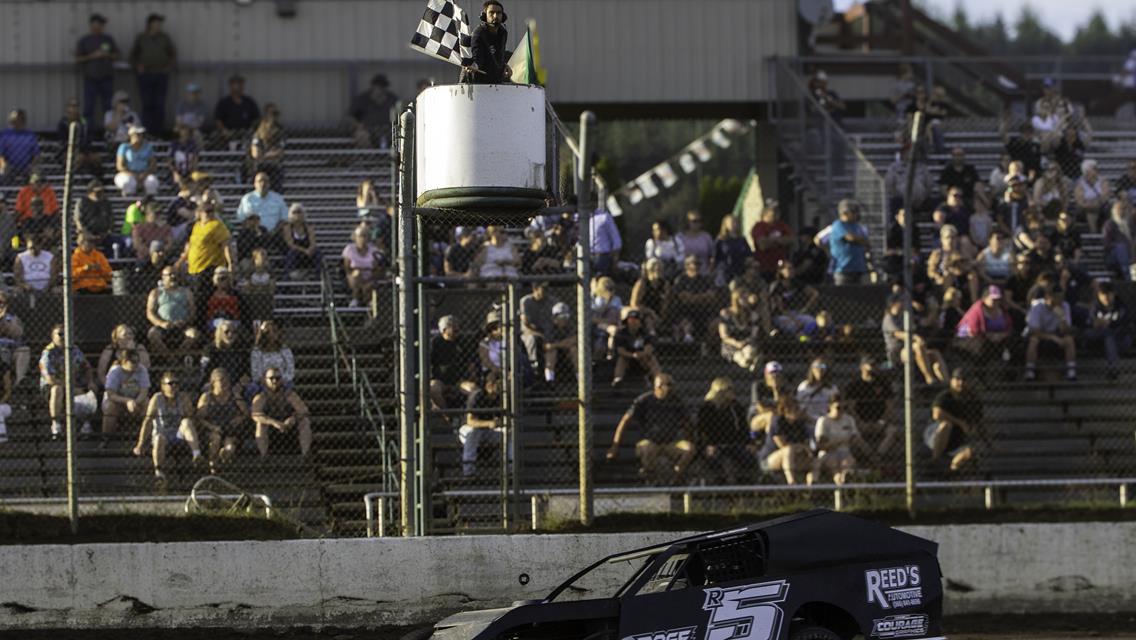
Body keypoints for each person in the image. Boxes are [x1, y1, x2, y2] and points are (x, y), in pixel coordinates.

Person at [607, 373, 694, 484]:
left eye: (672, 384)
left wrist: (689, 437)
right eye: (669, 385)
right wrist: (615, 446)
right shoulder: (644, 400)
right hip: (648, 441)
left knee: (689, 448)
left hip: (670, 443)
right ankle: (651, 478)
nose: (672, 388)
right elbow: (625, 421)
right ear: (658, 386)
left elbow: (687, 423)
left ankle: (676, 477)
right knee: (649, 448)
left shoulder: (676, 401)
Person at [133, 370, 203, 478]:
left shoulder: (183, 397)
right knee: (159, 438)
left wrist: (187, 406)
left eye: (176, 383)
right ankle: (159, 473)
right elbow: (147, 421)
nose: (174, 386)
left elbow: (192, 418)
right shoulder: (157, 398)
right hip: (162, 434)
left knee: (187, 422)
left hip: (178, 434)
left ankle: (196, 455)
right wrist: (140, 443)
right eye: (170, 383)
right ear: (163, 386)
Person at [39, 324, 97, 439]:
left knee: (91, 390)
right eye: (60, 334)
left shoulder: (74, 350)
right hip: (54, 387)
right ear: (53, 337)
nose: (63, 337)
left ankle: (85, 425)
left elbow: (87, 367)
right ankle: (56, 424)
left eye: (66, 334)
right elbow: (50, 379)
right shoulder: (48, 353)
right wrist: (71, 389)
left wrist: (90, 381)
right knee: (57, 390)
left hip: (74, 385)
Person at [693, 377, 750, 484]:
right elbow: (701, 431)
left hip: (733, 444)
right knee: (723, 461)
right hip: (714, 445)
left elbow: (743, 428)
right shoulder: (707, 408)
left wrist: (748, 443)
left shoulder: (735, 408)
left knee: (747, 457)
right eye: (729, 389)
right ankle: (726, 490)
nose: (732, 392)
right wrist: (707, 445)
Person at [882, 293, 947, 385]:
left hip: (911, 347)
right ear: (895, 303)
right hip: (897, 351)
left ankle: (945, 382)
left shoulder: (905, 316)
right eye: (902, 301)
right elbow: (898, 334)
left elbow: (923, 323)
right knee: (918, 346)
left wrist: (934, 312)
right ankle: (929, 378)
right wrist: (915, 337)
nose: (905, 303)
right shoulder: (889, 318)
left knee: (934, 353)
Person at [844, 355, 898, 461]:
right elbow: (851, 408)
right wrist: (860, 423)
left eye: (875, 365)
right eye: (870, 365)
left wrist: (881, 422)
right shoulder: (854, 385)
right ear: (862, 367)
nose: (874, 368)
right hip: (860, 423)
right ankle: (870, 456)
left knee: (893, 431)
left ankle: (879, 455)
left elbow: (889, 407)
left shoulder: (884, 384)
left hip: (880, 422)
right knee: (853, 434)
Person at [129, 13, 177, 134]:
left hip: (161, 74)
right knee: (147, 103)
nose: (158, 25)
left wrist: (169, 66)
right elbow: (132, 55)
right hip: (145, 75)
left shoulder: (165, 37)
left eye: (160, 23)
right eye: (156, 23)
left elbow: (173, 54)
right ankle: (147, 132)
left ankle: (159, 132)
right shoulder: (141, 38)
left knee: (159, 104)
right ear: (150, 24)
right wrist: (137, 66)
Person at [926, 368, 981, 472]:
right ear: (951, 381)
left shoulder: (973, 399)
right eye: (957, 379)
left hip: (956, 441)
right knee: (947, 425)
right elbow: (936, 414)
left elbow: (980, 423)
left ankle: (952, 471)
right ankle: (935, 462)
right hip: (934, 435)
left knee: (969, 452)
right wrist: (960, 423)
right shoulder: (945, 396)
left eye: (964, 380)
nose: (961, 383)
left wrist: (991, 445)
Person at [196, 368, 250, 471]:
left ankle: (225, 455)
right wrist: (212, 427)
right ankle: (213, 466)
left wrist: (240, 418)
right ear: (213, 383)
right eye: (221, 380)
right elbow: (199, 418)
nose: (225, 383)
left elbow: (247, 413)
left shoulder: (234, 396)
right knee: (215, 439)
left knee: (230, 444)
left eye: (227, 380)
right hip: (212, 428)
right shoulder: (207, 397)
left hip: (230, 428)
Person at [251, 366, 312, 458]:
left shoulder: (289, 394)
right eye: (271, 378)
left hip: (289, 424)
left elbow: (304, 410)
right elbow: (255, 415)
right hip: (270, 426)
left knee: (305, 422)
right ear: (265, 380)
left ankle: (306, 455)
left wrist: (293, 418)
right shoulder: (261, 397)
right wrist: (273, 422)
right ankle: (264, 456)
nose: (275, 381)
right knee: (260, 424)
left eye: (277, 378)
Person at [74, 14, 120, 131]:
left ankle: (108, 133)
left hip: (106, 78)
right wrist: (92, 56)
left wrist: (107, 55)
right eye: (98, 24)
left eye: (102, 24)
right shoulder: (85, 40)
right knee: (89, 107)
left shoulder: (108, 39)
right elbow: (78, 58)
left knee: (108, 107)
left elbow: (117, 55)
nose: (100, 26)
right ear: (92, 25)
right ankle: (88, 133)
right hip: (91, 78)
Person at [457, 374, 507, 477]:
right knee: (473, 432)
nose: (499, 385)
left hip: (487, 431)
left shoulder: (500, 397)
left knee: (507, 433)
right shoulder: (477, 395)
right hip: (467, 429)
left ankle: (510, 470)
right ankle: (468, 472)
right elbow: (470, 421)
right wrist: (489, 423)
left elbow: (502, 418)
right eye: (496, 383)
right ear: (489, 385)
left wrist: (500, 422)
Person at [809, 394, 864, 485]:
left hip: (844, 452)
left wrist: (837, 442)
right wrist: (842, 440)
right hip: (828, 453)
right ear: (830, 406)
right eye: (838, 407)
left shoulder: (848, 419)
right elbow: (822, 445)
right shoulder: (823, 421)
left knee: (848, 462)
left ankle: (845, 479)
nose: (841, 411)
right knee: (833, 463)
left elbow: (855, 438)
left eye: (844, 408)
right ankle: (840, 483)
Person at [1024, 287, 1077, 381]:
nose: (1059, 301)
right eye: (1057, 298)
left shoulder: (1065, 306)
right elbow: (1034, 330)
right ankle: (1029, 371)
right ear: (1048, 297)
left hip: (1056, 335)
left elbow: (1066, 331)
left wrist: (1062, 318)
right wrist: (1052, 337)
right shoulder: (1037, 306)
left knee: (1069, 339)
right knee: (1034, 340)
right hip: (1040, 336)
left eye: (1061, 298)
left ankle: (1071, 372)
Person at [759, 396, 813, 485]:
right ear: (785, 410)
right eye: (795, 408)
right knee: (788, 450)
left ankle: (812, 486)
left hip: (793, 459)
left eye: (798, 408)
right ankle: (792, 484)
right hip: (769, 459)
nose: (798, 411)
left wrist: (803, 447)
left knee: (815, 461)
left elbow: (806, 446)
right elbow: (782, 445)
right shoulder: (778, 421)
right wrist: (800, 447)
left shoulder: (799, 423)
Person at [146, 267, 200, 353]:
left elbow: (193, 311)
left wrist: (185, 321)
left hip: (182, 325)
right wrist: (161, 323)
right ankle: (169, 358)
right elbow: (150, 313)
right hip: (162, 326)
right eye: (170, 274)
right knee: (152, 335)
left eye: (175, 274)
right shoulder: (156, 292)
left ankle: (179, 355)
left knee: (193, 334)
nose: (173, 276)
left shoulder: (187, 292)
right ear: (163, 277)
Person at [175, 202, 234, 280]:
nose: (210, 213)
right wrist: (180, 261)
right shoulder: (197, 226)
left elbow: (226, 245)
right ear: (200, 213)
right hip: (194, 268)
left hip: (208, 267)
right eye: (207, 211)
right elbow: (190, 246)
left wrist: (230, 263)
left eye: (212, 211)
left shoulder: (217, 225)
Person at [429, 315, 478, 410]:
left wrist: (472, 375)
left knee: (474, 390)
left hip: (459, 381)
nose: (456, 328)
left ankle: (467, 415)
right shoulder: (435, 343)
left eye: (457, 325)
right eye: (452, 326)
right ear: (444, 330)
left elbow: (470, 361)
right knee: (433, 389)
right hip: (440, 380)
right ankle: (447, 416)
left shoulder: (462, 342)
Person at [1086, 281, 1131, 379]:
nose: (1105, 297)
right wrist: (1096, 324)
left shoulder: (1121, 307)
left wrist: (1109, 323)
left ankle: (1113, 368)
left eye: (1108, 294)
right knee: (1104, 334)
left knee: (1109, 335)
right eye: (1102, 294)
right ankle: (1113, 368)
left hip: (1120, 340)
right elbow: (1089, 323)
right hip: (1098, 340)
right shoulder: (1095, 306)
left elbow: (1124, 326)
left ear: (1113, 293)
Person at [101, 349, 151, 436]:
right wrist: (127, 401)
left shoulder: (141, 369)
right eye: (133, 361)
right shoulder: (115, 371)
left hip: (136, 400)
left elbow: (144, 391)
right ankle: (106, 437)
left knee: (147, 403)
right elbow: (111, 394)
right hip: (118, 401)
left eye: (137, 361)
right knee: (110, 407)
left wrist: (135, 402)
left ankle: (145, 435)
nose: (136, 364)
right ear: (124, 361)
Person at [462, 1, 512, 84]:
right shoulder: (479, 33)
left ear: (503, 16)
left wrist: (505, 66)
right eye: (491, 13)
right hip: (476, 82)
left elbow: (499, 54)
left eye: (499, 13)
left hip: (494, 80)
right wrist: (474, 66)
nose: (495, 16)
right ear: (485, 16)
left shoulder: (503, 32)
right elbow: (477, 58)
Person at [669, 256, 716, 344]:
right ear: (687, 266)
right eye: (694, 264)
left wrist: (693, 297)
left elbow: (711, 296)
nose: (697, 266)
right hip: (685, 311)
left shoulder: (704, 280)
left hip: (703, 311)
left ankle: (707, 347)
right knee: (684, 321)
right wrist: (702, 297)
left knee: (713, 322)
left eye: (699, 264)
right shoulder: (681, 280)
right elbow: (684, 298)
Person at [769, 260, 819, 337]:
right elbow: (781, 309)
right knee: (793, 326)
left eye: (792, 268)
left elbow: (815, 293)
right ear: (781, 271)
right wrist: (794, 320)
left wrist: (805, 308)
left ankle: (805, 338)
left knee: (812, 322)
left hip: (796, 313)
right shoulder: (777, 286)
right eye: (788, 268)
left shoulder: (796, 282)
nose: (791, 271)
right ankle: (801, 339)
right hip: (781, 316)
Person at [611, 309, 661, 386]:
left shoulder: (645, 333)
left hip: (642, 360)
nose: (633, 322)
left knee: (651, 358)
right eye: (631, 319)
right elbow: (620, 350)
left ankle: (659, 379)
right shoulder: (621, 333)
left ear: (640, 322)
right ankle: (618, 379)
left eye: (636, 319)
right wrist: (633, 355)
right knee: (622, 358)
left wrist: (640, 355)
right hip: (628, 360)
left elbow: (649, 349)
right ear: (627, 321)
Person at [342, 224, 386, 308]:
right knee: (357, 274)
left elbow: (377, 268)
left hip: (369, 276)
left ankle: (368, 302)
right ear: (355, 237)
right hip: (355, 276)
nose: (363, 239)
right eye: (360, 236)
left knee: (369, 285)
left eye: (365, 236)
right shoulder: (349, 249)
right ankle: (355, 299)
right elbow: (347, 268)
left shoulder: (373, 250)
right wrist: (359, 270)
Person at [56, 98, 103, 177]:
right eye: (72, 106)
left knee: (97, 158)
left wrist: (86, 151)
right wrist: (75, 151)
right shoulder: (63, 123)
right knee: (79, 158)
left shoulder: (84, 122)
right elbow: (62, 142)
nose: (75, 109)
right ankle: (72, 179)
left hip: (84, 151)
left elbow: (87, 139)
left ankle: (98, 180)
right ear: (67, 108)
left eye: (77, 106)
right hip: (67, 152)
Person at [717, 288, 762, 371]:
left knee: (749, 352)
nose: (746, 300)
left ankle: (751, 362)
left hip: (748, 342)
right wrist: (737, 343)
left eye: (746, 297)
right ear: (736, 299)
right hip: (731, 344)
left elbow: (754, 334)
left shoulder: (753, 314)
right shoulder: (726, 313)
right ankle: (752, 364)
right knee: (741, 358)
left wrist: (746, 341)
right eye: (743, 298)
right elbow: (724, 336)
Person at [350, 73, 399, 149]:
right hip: (368, 130)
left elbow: (400, 114)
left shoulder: (392, 99)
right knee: (361, 135)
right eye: (377, 86)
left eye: (382, 86)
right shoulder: (363, 99)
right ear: (372, 86)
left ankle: (392, 157)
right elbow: (351, 116)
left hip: (389, 129)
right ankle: (370, 155)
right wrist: (359, 126)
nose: (380, 89)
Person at [829, 199, 870, 285]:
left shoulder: (859, 227)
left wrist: (859, 240)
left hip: (859, 269)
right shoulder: (838, 225)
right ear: (844, 213)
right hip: (843, 269)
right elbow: (850, 238)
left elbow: (866, 242)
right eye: (853, 211)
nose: (856, 214)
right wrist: (858, 240)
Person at [214, 75, 261, 148]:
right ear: (230, 86)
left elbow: (256, 119)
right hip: (229, 134)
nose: (238, 87)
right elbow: (218, 119)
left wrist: (251, 130)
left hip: (245, 134)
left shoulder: (249, 102)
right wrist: (224, 130)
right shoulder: (224, 103)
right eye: (235, 85)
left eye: (240, 85)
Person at [200, 320, 249, 390]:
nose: (231, 334)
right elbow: (205, 371)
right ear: (220, 332)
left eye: (234, 332)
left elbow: (246, 371)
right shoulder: (210, 349)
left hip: (237, 384)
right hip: (216, 383)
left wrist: (240, 385)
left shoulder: (241, 349)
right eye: (227, 332)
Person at [247, 104, 286, 191]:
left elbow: (280, 152)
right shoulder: (258, 132)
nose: (274, 117)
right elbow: (256, 154)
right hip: (260, 167)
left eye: (276, 114)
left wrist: (263, 155)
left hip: (275, 167)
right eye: (272, 114)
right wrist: (269, 155)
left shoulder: (279, 132)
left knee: (276, 188)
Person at [249, 320, 295, 394]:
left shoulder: (284, 349)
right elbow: (255, 372)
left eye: (276, 330)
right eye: (273, 331)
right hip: (263, 382)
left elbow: (290, 370)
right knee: (253, 388)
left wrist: (280, 380)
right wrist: (266, 381)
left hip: (282, 381)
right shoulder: (257, 351)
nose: (276, 333)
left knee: (289, 388)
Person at [114, 125, 159, 197]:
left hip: (144, 173)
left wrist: (144, 174)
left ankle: (149, 203)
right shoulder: (124, 147)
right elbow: (120, 166)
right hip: (127, 173)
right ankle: (128, 202)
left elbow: (153, 165)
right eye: (136, 134)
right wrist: (133, 175)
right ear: (131, 135)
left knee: (152, 181)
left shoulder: (148, 147)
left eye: (140, 134)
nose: (139, 136)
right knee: (128, 182)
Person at [629, 258, 670, 336]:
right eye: (655, 269)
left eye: (660, 269)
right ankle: (652, 335)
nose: (658, 271)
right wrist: (650, 312)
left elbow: (666, 302)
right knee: (648, 319)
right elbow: (634, 304)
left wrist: (661, 316)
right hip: (643, 312)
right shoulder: (642, 284)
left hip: (658, 312)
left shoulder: (665, 284)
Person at [281, 204, 320, 279]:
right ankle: (287, 278)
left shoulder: (309, 227)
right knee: (291, 253)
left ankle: (317, 276)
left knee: (318, 253)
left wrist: (310, 249)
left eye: (299, 212)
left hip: (308, 254)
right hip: (296, 253)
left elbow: (313, 242)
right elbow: (290, 244)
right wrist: (304, 250)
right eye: (294, 212)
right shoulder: (287, 228)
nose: (297, 215)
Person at [0, 109, 39, 184]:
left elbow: (36, 154)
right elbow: (0, 154)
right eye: (13, 120)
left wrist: (33, 165)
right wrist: (3, 165)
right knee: (3, 172)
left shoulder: (30, 135)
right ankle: (4, 193)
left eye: (19, 119)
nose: (15, 122)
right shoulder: (5, 135)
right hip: (9, 166)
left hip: (27, 167)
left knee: (36, 175)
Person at [1074, 159, 1112, 233]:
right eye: (1094, 168)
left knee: (1092, 210)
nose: (1097, 169)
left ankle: (1093, 232)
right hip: (1085, 208)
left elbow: (1105, 196)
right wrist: (1090, 204)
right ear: (1086, 170)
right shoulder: (1080, 184)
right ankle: (1094, 232)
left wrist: (1096, 203)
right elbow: (1079, 201)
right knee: (1090, 210)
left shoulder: (1103, 181)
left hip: (1101, 206)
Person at [795, 357, 838, 422]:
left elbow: (836, 406)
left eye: (822, 367)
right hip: (808, 420)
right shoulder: (804, 386)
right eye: (816, 366)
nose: (819, 369)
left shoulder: (832, 388)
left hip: (827, 421)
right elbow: (799, 406)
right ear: (812, 369)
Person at [713, 214, 752, 285]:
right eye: (732, 222)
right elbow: (715, 256)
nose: (734, 224)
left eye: (736, 222)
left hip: (739, 271)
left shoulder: (742, 240)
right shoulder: (721, 240)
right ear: (726, 225)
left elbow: (748, 254)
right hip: (725, 271)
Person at [130, 199, 172, 264]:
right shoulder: (139, 228)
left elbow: (169, 243)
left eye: (160, 213)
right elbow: (137, 245)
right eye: (156, 213)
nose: (159, 216)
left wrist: (161, 252)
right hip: (145, 258)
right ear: (147, 214)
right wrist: (152, 253)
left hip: (162, 256)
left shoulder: (165, 227)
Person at [0, 293, 29, 384]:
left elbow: (18, 333)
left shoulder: (12, 317)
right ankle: (4, 379)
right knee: (4, 351)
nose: (1, 305)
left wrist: (7, 322)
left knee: (24, 350)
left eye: (3, 303)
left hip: (13, 348)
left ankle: (20, 380)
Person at [1102, 201, 1134, 281]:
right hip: (1113, 256)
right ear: (1114, 211)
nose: (1121, 211)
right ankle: (1128, 277)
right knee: (1121, 247)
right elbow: (1106, 244)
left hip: (1131, 253)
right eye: (1119, 209)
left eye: (1123, 209)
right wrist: (1120, 244)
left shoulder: (1130, 224)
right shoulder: (1109, 224)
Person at [589, 204, 622, 276]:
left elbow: (616, 241)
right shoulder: (578, 217)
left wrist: (615, 260)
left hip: (602, 257)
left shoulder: (604, 217)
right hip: (585, 256)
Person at [677, 210, 713, 274]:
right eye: (694, 221)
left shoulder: (706, 237)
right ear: (688, 222)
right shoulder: (680, 237)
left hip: (703, 274)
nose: (697, 224)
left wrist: (710, 270)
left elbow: (712, 255)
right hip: (684, 274)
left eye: (699, 221)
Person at [169, 123, 200, 189]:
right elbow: (169, 161)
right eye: (183, 130)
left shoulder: (192, 144)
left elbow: (195, 160)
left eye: (186, 130)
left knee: (196, 181)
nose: (185, 132)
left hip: (189, 171)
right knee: (179, 181)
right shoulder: (174, 144)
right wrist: (175, 173)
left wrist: (193, 172)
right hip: (177, 171)